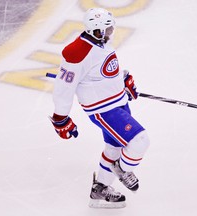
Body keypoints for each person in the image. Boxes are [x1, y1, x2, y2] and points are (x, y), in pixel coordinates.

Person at [50, 8, 150, 208]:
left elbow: (104, 71)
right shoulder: (76, 53)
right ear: (97, 31)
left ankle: (100, 190)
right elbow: (64, 87)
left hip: (119, 102)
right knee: (140, 141)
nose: (112, 31)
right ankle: (122, 170)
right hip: (104, 110)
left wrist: (123, 80)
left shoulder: (101, 41)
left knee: (114, 147)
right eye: (108, 28)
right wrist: (60, 118)